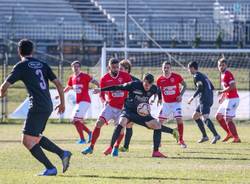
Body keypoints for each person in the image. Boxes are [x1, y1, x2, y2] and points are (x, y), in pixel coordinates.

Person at [0, 39, 71, 176]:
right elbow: (59, 85)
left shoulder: (21, 66)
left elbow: (4, 86)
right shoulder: (43, 65)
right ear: (32, 51)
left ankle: (51, 168)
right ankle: (63, 154)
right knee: (35, 137)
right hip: (47, 105)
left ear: (19, 51)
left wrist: (1, 95)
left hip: (37, 106)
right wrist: (62, 103)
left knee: (26, 140)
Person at [94, 73, 176, 158]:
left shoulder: (153, 88)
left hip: (141, 114)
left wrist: (159, 98)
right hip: (129, 111)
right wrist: (101, 89)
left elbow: (158, 90)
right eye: (146, 84)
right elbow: (117, 87)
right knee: (122, 122)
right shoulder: (133, 84)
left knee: (157, 125)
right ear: (143, 81)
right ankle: (110, 147)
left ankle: (155, 152)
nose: (148, 87)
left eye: (150, 85)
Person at [82, 58, 132, 155]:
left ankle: (116, 148)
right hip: (110, 106)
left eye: (117, 67)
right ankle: (91, 147)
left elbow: (131, 89)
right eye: (113, 67)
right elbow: (101, 94)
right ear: (109, 67)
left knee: (121, 129)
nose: (116, 69)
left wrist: (129, 103)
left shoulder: (125, 76)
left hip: (122, 108)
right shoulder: (104, 78)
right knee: (98, 123)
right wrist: (104, 101)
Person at [62, 60, 99, 144]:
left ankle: (83, 139)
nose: (75, 68)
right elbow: (68, 87)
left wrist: (99, 88)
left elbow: (94, 81)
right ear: (71, 68)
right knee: (73, 120)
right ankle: (89, 133)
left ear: (79, 67)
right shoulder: (72, 77)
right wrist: (60, 94)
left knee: (75, 119)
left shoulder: (84, 75)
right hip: (79, 102)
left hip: (85, 101)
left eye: (77, 66)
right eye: (74, 66)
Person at [187, 61, 221, 144]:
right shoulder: (203, 75)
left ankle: (216, 135)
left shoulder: (196, 76)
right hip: (208, 98)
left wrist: (192, 97)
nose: (189, 71)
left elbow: (200, 87)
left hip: (204, 99)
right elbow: (212, 87)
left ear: (192, 68)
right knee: (195, 116)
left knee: (205, 117)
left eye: (189, 69)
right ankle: (205, 136)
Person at [157, 61, 187, 148]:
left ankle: (181, 140)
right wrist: (159, 99)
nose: (166, 69)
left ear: (170, 69)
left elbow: (185, 85)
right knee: (159, 123)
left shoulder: (176, 76)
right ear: (162, 68)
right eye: (164, 67)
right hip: (166, 104)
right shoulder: (159, 79)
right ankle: (158, 142)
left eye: (167, 67)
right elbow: (158, 90)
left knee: (179, 120)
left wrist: (180, 95)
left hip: (176, 103)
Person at [215, 58, 241, 143]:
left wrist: (221, 92)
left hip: (233, 99)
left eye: (223, 65)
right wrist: (222, 97)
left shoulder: (228, 73)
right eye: (220, 65)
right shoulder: (222, 75)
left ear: (226, 65)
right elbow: (226, 88)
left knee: (228, 119)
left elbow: (232, 86)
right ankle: (229, 133)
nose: (221, 67)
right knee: (218, 116)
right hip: (227, 99)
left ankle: (236, 138)